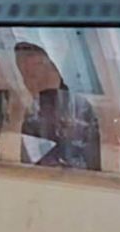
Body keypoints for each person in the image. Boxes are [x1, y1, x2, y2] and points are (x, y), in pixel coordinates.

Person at [12, 40, 101, 170]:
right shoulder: (32, 117)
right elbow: (30, 164)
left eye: (32, 76)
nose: (27, 83)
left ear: (53, 70)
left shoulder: (80, 109)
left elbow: (92, 164)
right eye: (25, 76)